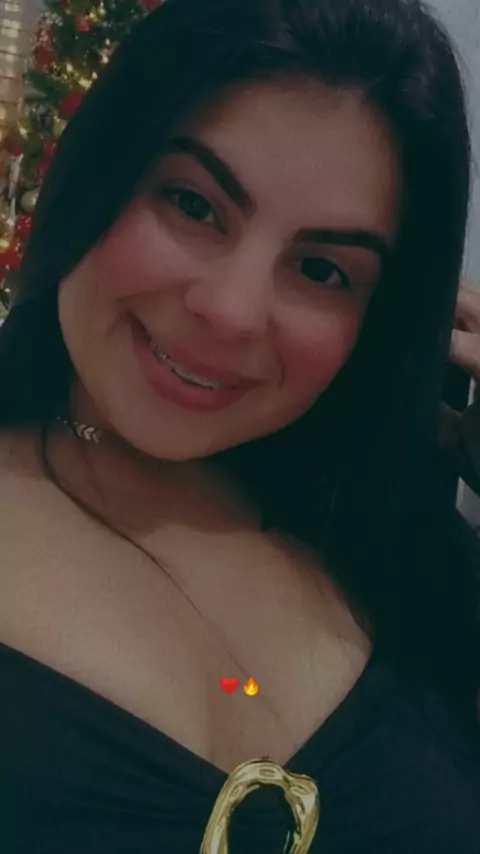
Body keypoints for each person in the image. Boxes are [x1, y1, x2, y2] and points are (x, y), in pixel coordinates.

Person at [0, 0, 479, 851]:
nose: (230, 311)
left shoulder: (404, 553)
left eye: (322, 270)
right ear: (100, 170)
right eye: (192, 202)